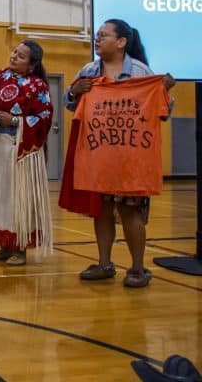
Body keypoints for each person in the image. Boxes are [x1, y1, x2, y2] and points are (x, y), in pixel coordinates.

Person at [65, 18, 174, 288]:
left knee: (130, 213)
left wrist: (164, 91)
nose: (97, 39)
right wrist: (74, 91)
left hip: (132, 161)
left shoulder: (140, 72)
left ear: (122, 41)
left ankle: (138, 268)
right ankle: (104, 263)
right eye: (97, 36)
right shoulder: (89, 70)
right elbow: (71, 105)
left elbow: (162, 114)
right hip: (98, 157)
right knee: (101, 211)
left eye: (103, 35)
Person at [0, 40, 53, 266]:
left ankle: (20, 248)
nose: (13, 57)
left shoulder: (37, 85)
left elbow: (44, 117)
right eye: (14, 52)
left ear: (32, 65)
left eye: (20, 56)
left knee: (18, 198)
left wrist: (16, 120)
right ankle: (5, 243)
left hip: (19, 148)